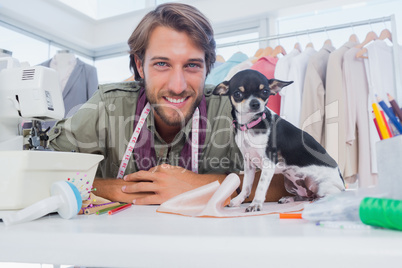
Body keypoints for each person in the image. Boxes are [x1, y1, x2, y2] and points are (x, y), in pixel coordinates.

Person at [49, 3, 287, 205]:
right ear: (140, 66)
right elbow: (40, 172)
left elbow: (296, 180)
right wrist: (118, 188)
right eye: (162, 64)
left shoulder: (235, 108)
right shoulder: (107, 106)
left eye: (192, 65)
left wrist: (201, 186)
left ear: (207, 68)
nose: (177, 85)